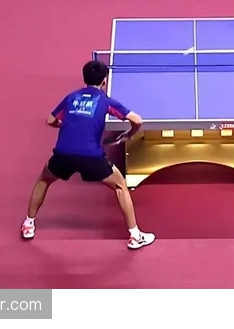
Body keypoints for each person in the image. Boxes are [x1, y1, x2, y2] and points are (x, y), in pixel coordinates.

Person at [20, 60, 156, 250]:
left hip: (63, 154)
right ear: (105, 81)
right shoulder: (106, 101)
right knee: (120, 186)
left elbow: (50, 120)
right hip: (91, 157)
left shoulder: (71, 97)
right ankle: (135, 236)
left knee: (44, 180)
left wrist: (67, 125)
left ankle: (28, 224)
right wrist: (128, 135)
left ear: (84, 78)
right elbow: (137, 120)